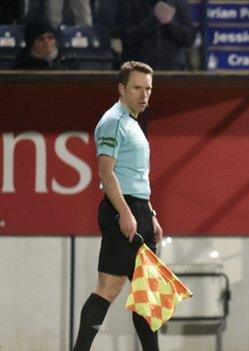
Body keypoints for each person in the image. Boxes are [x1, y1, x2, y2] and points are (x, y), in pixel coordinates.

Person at [72, 61, 164, 351]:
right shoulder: (113, 120)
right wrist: (126, 213)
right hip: (123, 211)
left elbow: (136, 176)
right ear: (122, 88)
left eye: (148, 88)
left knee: (146, 295)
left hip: (140, 210)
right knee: (109, 288)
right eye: (137, 87)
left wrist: (151, 213)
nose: (144, 94)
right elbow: (105, 171)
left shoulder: (132, 121)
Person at [117, 0, 195, 70]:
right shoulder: (130, 3)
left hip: (174, 71)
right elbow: (126, 37)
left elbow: (188, 39)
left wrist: (169, 24)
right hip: (139, 72)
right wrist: (154, 21)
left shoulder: (180, 3)